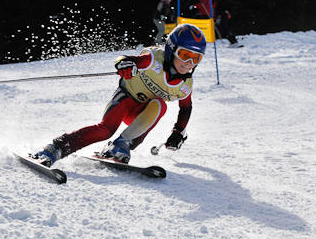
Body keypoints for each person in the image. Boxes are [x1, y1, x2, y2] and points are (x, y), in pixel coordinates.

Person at [32, 24, 207, 167]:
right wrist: (125, 65)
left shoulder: (185, 85)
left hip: (140, 114)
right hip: (125, 99)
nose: (188, 63)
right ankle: (55, 148)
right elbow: (126, 59)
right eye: (184, 55)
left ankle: (119, 146)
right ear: (171, 50)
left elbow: (186, 107)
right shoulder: (153, 60)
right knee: (105, 130)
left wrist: (178, 131)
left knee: (160, 105)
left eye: (196, 58)